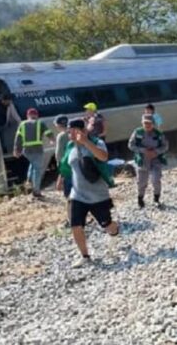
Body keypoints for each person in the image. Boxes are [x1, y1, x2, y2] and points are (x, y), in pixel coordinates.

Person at [58, 118, 118, 266]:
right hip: (77, 194)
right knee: (75, 225)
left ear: (83, 130)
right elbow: (67, 164)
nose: (70, 134)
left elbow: (103, 157)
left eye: (73, 131)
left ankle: (115, 231)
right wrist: (61, 178)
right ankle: (85, 256)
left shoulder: (97, 142)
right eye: (68, 131)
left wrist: (86, 142)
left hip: (98, 195)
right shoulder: (70, 146)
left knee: (107, 226)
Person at [128, 114, 169, 209]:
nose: (147, 125)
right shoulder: (137, 132)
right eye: (145, 123)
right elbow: (131, 145)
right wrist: (143, 150)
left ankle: (156, 199)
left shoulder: (159, 134)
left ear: (153, 124)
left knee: (156, 180)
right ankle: (140, 199)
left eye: (149, 123)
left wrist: (156, 152)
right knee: (141, 182)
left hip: (156, 160)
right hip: (142, 160)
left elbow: (165, 146)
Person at [13, 108, 54, 198]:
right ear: (37, 115)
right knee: (37, 170)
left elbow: (18, 138)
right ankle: (36, 191)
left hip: (26, 151)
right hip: (37, 150)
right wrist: (52, 140)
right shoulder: (40, 123)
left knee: (32, 165)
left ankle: (28, 181)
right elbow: (49, 133)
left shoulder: (22, 124)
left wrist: (16, 150)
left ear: (27, 116)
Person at [54, 115, 72, 223]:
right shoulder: (73, 133)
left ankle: (71, 220)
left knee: (69, 195)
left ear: (58, 125)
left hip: (67, 169)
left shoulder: (61, 136)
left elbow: (59, 156)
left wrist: (60, 175)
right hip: (77, 166)